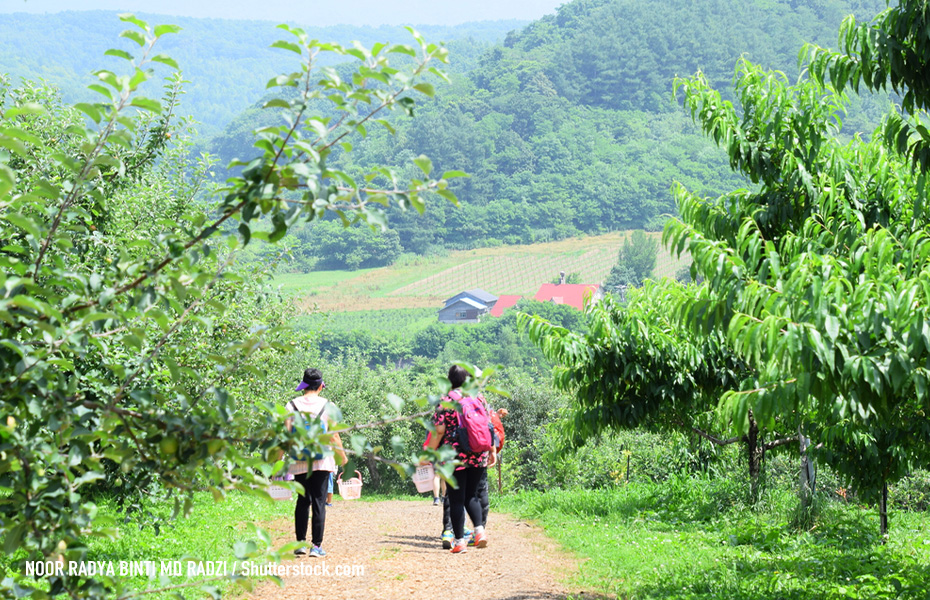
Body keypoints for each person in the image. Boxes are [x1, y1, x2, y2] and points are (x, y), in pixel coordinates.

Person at [425, 365, 496, 554]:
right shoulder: (478, 397)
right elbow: (489, 426)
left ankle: (459, 542)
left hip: (455, 456)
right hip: (479, 452)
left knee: (457, 498)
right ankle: (479, 532)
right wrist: (492, 450)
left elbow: (439, 431)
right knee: (472, 495)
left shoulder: (446, 401)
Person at [286, 368, 346, 558]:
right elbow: (334, 435)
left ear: (303, 386)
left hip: (299, 461)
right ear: (321, 386)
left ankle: (300, 545)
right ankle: (316, 546)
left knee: (302, 501)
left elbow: (286, 436)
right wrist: (343, 458)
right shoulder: (329, 406)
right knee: (319, 502)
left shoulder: (291, 406)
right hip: (322, 461)